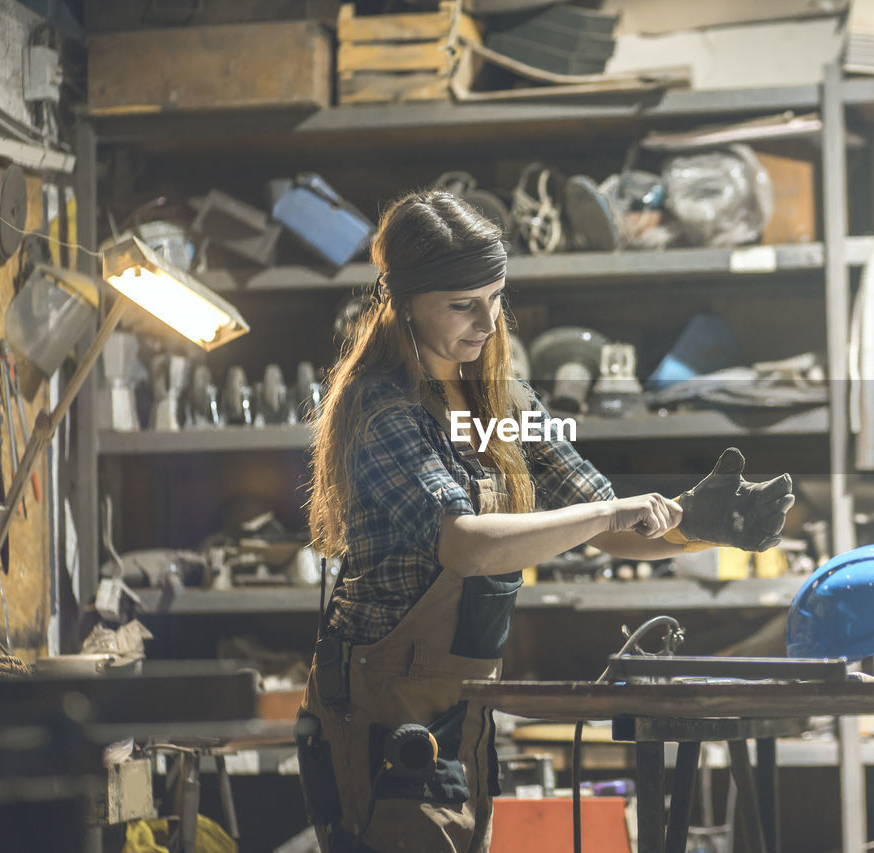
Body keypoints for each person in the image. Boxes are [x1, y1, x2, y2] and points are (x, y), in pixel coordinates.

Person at [297, 189, 794, 853]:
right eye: (462, 305)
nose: (488, 320)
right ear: (406, 300)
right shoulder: (382, 408)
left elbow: (605, 517)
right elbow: (464, 544)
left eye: (496, 297)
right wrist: (611, 510)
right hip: (381, 704)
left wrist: (697, 524)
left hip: (462, 698)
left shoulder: (498, 398)